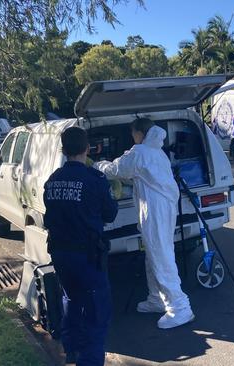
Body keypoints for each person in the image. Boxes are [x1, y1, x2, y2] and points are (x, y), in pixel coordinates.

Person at [94, 118, 195, 329]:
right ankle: (157, 298)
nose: (132, 138)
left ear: (140, 133)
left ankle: (180, 307)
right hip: (162, 207)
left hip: (155, 209)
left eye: (133, 134)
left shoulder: (139, 152)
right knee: (155, 253)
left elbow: (117, 170)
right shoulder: (156, 151)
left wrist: (98, 164)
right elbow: (139, 175)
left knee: (161, 256)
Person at [43, 126, 118, 366]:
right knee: (96, 313)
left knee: (71, 301)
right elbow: (110, 214)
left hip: (60, 254)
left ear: (63, 150)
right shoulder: (95, 179)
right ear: (88, 149)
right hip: (87, 256)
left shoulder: (52, 180)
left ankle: (71, 351)